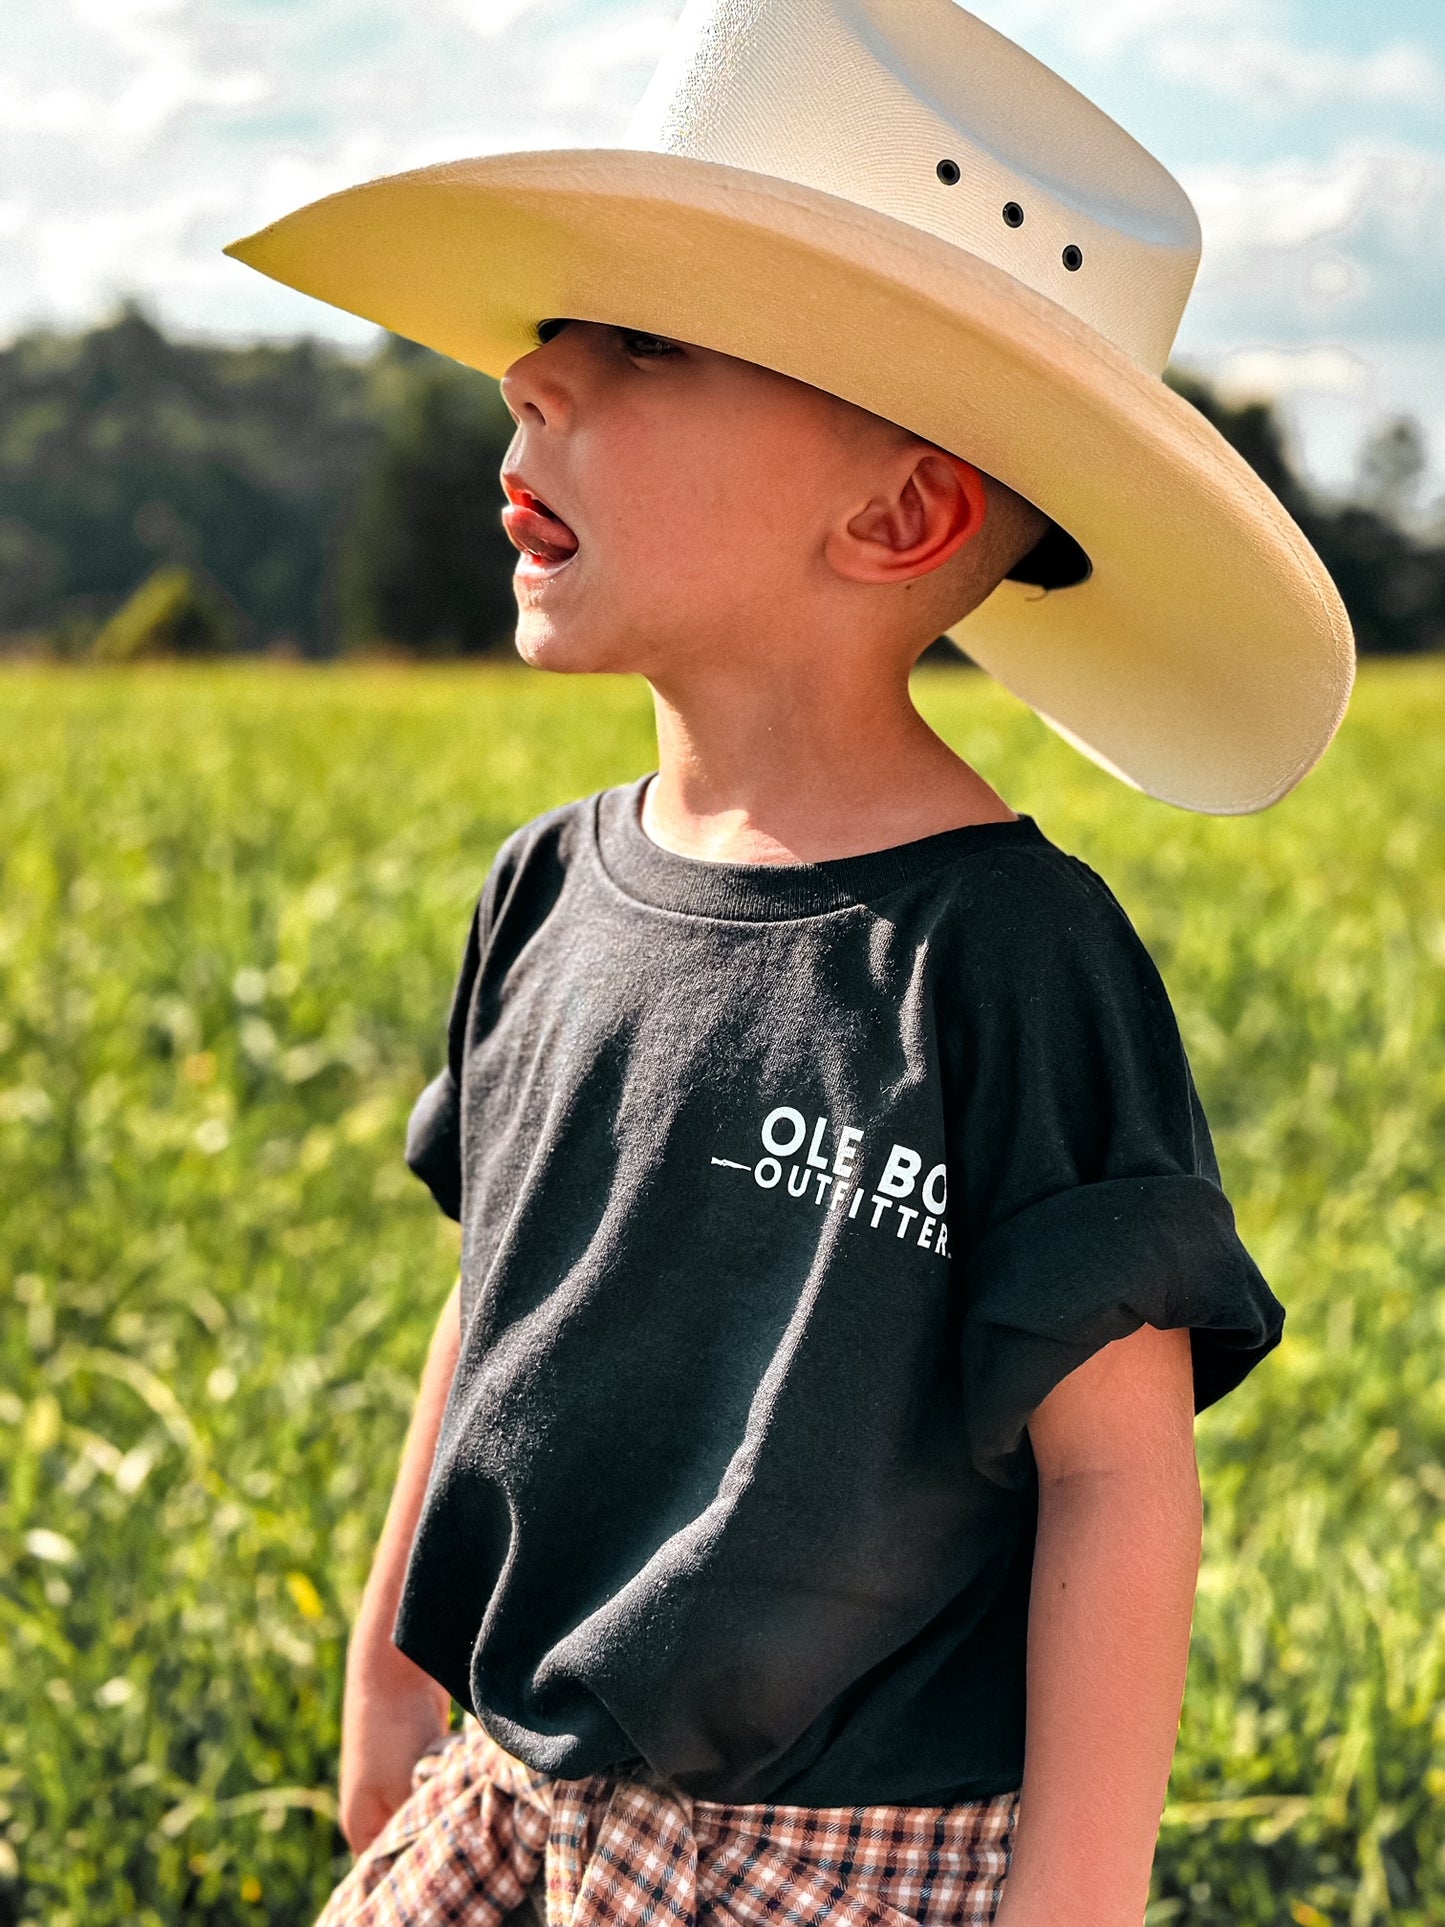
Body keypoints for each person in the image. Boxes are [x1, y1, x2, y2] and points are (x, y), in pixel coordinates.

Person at [224, 3, 1355, 1924]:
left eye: (643, 341)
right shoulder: (544, 889)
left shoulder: (1007, 962)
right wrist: (392, 1672)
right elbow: (500, 1302)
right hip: (507, 1785)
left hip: (828, 1856)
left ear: (899, 512)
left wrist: (1068, 1906)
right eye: (554, 327)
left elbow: (1114, 1475)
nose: (530, 373)